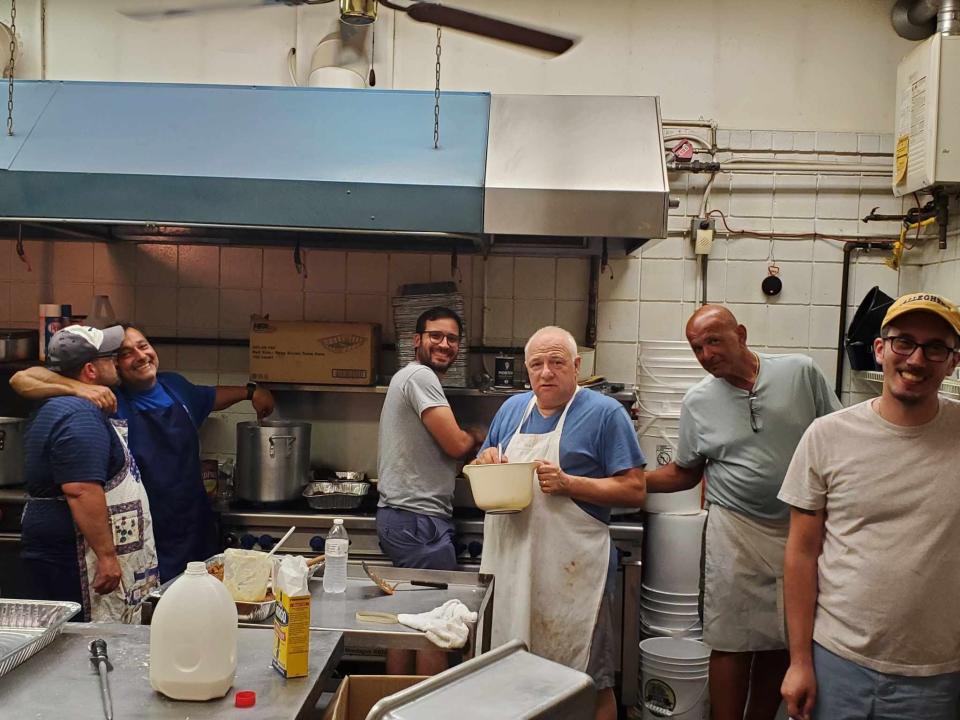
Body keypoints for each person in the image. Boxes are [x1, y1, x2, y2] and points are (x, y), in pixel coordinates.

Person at [644, 304, 840, 720]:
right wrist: (630, 481)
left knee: (779, 637)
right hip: (734, 530)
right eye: (697, 347)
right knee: (730, 641)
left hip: (799, 528)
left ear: (742, 334)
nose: (706, 354)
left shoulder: (800, 373)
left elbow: (837, 439)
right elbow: (685, 472)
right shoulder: (698, 402)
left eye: (713, 341)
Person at [779, 292, 960, 720]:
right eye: (904, 342)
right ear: (880, 350)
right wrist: (800, 660)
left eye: (935, 348)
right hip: (836, 663)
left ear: (953, 362)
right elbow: (801, 555)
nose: (916, 359)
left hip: (936, 675)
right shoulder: (826, 436)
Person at [473, 326, 645, 720]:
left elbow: (635, 490)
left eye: (556, 362)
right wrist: (487, 462)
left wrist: (570, 484)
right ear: (526, 369)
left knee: (589, 679)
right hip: (512, 568)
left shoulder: (605, 414)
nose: (546, 373)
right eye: (537, 364)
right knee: (509, 673)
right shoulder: (512, 410)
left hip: (573, 576)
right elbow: (485, 461)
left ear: (577, 367)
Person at [11, 323, 275, 581]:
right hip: (140, 532)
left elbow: (211, 397)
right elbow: (22, 378)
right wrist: (80, 388)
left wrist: (250, 392)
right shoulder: (108, 397)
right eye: (125, 353)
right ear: (113, 363)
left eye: (143, 346)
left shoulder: (176, 387)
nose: (140, 356)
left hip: (192, 526)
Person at [21, 325, 159, 622]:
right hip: (81, 562)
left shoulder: (57, 404)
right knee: (81, 648)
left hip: (64, 553)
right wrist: (107, 557)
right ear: (90, 370)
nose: (116, 362)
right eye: (110, 357)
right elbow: (81, 489)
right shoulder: (78, 415)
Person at [376, 306, 485, 675]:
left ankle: (393, 703)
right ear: (416, 340)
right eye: (435, 336)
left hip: (405, 518)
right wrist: (478, 435)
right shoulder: (420, 376)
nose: (444, 344)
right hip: (418, 521)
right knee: (435, 628)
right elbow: (455, 444)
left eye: (452, 338)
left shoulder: (409, 377)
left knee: (408, 622)